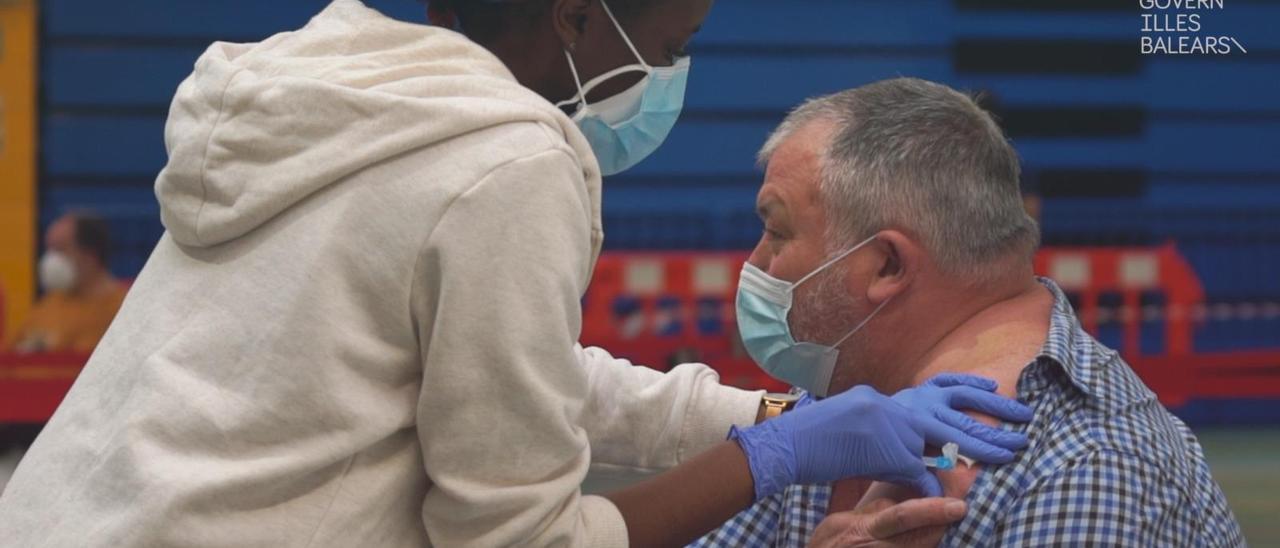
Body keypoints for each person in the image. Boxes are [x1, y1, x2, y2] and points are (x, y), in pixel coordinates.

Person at [0, 3, 1033, 547]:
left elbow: (507, 376)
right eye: (672, 44)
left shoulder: (340, 90)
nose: (672, 76)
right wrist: (778, 456)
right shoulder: (511, 160)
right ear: (578, 18)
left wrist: (768, 412)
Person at [695, 77, 1243, 547]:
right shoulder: (838, 405)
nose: (756, 262)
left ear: (886, 265)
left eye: (776, 230)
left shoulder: (1092, 470)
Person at [4, 212, 127, 354]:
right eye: (49, 250)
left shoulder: (120, 311)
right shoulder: (48, 305)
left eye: (60, 249)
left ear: (90, 256)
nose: (51, 260)